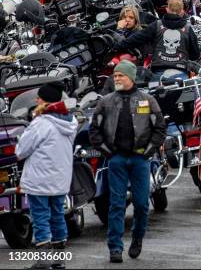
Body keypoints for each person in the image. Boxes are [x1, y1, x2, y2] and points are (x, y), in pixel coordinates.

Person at [89, 60, 166, 263]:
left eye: (120, 75)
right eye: (114, 76)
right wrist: (107, 153)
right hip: (116, 160)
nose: (116, 78)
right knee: (116, 204)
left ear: (131, 77)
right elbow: (94, 131)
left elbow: (160, 128)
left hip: (140, 159)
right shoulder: (105, 102)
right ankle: (115, 247)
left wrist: (149, 151)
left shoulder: (148, 100)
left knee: (141, 204)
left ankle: (137, 238)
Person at [15, 82, 77, 270]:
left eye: (39, 97)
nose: (36, 100)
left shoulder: (41, 123)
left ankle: (43, 260)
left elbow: (21, 151)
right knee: (58, 216)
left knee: (40, 217)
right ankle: (59, 259)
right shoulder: (70, 122)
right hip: (60, 180)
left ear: (46, 101)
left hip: (39, 180)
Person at [115, 0, 201, 80]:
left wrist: (116, 44)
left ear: (167, 9)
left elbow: (134, 40)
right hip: (181, 75)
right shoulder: (188, 29)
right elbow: (195, 55)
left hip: (158, 74)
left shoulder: (156, 25)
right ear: (182, 11)